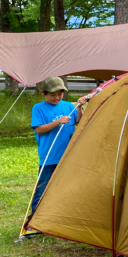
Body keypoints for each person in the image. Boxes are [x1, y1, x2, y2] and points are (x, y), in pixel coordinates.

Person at [30, 76, 88, 213]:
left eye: (59, 94)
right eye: (52, 95)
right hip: (49, 157)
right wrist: (58, 121)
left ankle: (63, 214)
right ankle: (35, 219)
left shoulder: (68, 106)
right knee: (42, 188)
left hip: (68, 156)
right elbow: (39, 129)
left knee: (69, 186)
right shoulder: (38, 108)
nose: (56, 98)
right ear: (43, 93)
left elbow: (79, 120)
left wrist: (79, 107)